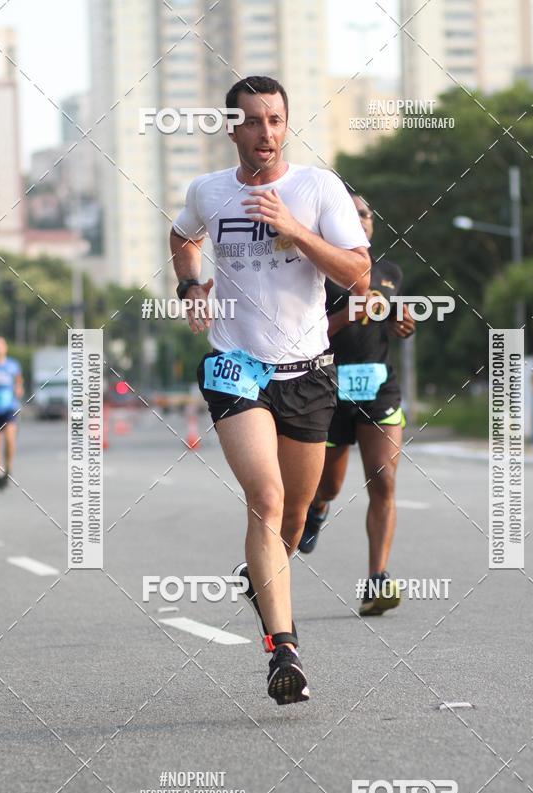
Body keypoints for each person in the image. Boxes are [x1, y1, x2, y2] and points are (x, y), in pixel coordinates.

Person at [170, 75, 371, 704]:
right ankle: (284, 650)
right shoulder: (208, 191)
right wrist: (190, 286)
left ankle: (263, 576)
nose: (266, 134)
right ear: (232, 127)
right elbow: (182, 237)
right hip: (237, 366)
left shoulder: (317, 187)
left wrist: (297, 229)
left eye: (277, 120)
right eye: (253, 122)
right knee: (265, 496)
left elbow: (359, 274)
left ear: (288, 124)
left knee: (293, 518)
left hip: (308, 372)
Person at [298, 192, 415, 616]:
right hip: (326, 390)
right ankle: (318, 508)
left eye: (365, 213)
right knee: (328, 485)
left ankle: (377, 579)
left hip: (378, 388)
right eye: (351, 213)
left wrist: (402, 323)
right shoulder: (315, 274)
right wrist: (351, 311)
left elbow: (393, 319)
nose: (360, 219)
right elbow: (307, 335)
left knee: (382, 480)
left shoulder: (389, 272)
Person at [0, 337, 23, 491]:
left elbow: (19, 383)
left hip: (9, 409)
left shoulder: (12, 366)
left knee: (9, 439)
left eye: (0, 345)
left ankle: (8, 467)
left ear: (5, 348)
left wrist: (19, 389)